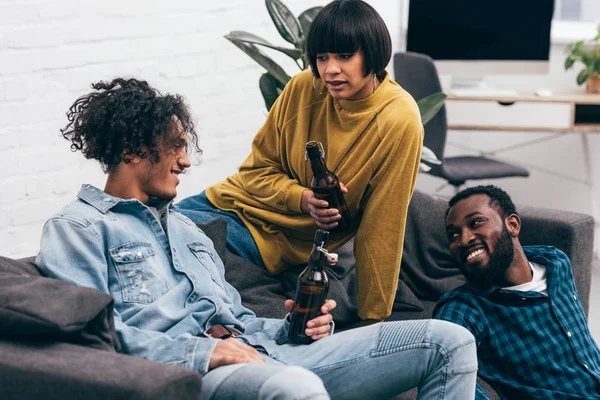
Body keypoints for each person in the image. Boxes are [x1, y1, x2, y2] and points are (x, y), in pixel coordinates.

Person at [36, 77, 477, 399]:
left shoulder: (188, 229)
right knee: (296, 388)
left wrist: (293, 325)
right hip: (190, 374)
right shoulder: (78, 229)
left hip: (265, 350)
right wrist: (203, 354)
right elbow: (94, 334)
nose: (187, 162)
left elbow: (236, 315)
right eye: (176, 146)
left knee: (449, 340)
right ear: (132, 150)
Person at [177, 0, 424, 323]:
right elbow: (255, 172)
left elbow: (383, 225)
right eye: (322, 57)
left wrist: (373, 320)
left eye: (345, 56)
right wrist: (303, 198)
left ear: (374, 54)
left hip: (268, 240)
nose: (330, 69)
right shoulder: (303, 89)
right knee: (142, 228)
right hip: (226, 204)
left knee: (166, 244)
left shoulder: (399, 119)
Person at [435, 185, 600, 399]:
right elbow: (443, 373)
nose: (463, 240)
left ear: (512, 225)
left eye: (476, 223)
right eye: (453, 235)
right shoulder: (464, 309)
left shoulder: (556, 263)